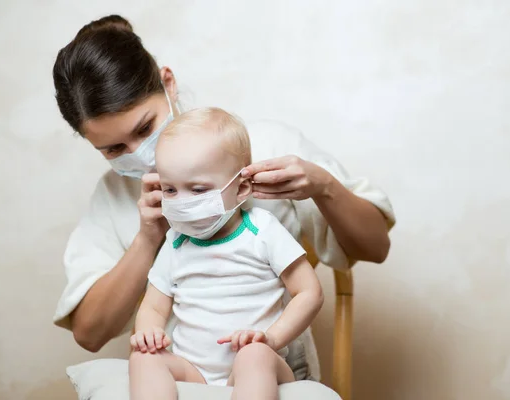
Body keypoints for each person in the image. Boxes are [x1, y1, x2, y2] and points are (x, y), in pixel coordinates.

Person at [52, 14, 395, 382]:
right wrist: (148, 238)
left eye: (145, 128)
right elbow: (90, 333)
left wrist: (323, 186)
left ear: (168, 83)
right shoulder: (112, 196)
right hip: (179, 377)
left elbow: (374, 248)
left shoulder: (266, 147)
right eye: (114, 148)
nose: (140, 153)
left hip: (267, 370)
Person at [129, 107, 324, 400]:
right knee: (142, 357)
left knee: (253, 356)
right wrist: (148, 333)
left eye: (197, 190)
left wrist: (271, 338)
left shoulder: (262, 231)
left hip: (255, 364)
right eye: (170, 190)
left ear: (242, 187)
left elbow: (309, 293)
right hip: (192, 371)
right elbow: (154, 308)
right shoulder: (175, 242)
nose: (181, 203)